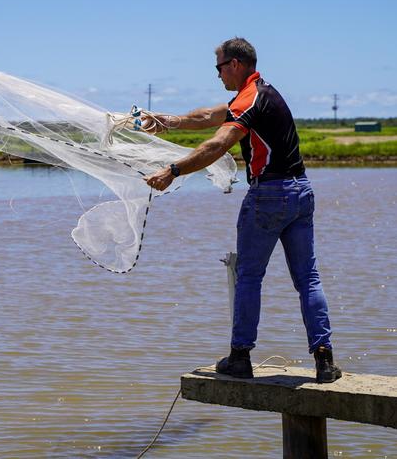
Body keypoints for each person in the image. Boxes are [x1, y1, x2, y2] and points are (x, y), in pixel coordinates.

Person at [142, 37, 342, 383]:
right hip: (301, 193)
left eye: (218, 67)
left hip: (269, 197)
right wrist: (167, 121)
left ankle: (240, 357)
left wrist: (172, 171)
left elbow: (218, 143)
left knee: (250, 277)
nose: (217, 74)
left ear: (235, 64)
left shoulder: (249, 100)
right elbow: (209, 116)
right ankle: (325, 362)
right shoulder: (262, 93)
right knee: (308, 280)